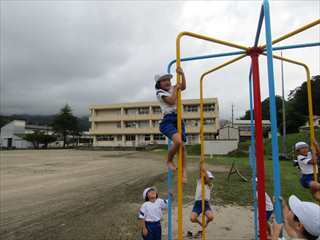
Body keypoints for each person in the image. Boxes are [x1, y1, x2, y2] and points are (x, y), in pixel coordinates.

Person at [155, 67, 187, 182]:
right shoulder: (160, 93)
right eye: (164, 80)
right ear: (159, 84)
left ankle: (183, 172)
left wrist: (182, 74)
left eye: (168, 79)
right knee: (178, 141)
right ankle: (169, 160)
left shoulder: (173, 88)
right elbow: (172, 101)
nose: (167, 82)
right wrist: (176, 89)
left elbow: (183, 87)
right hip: (167, 120)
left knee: (182, 147)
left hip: (178, 118)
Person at [189, 166, 214, 237]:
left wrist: (204, 170)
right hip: (198, 203)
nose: (210, 179)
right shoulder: (200, 182)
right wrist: (201, 166)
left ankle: (206, 223)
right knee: (192, 218)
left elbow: (208, 180)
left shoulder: (210, 185)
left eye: (211, 178)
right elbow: (200, 172)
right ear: (204, 178)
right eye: (209, 178)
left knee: (211, 217)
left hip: (205, 204)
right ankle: (201, 224)